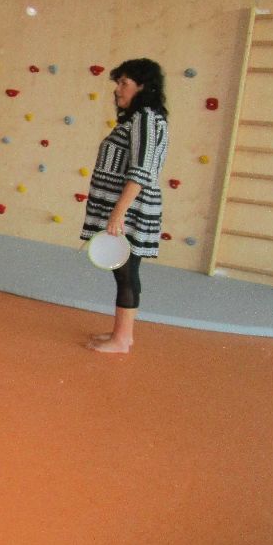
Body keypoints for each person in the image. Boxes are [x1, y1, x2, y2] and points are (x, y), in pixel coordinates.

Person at [80, 58, 170, 353]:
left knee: (126, 272)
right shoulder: (140, 118)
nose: (117, 89)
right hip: (127, 209)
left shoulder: (145, 118)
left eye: (124, 83)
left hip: (131, 210)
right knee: (124, 271)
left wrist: (118, 213)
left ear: (143, 87)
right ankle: (122, 334)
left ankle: (121, 340)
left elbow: (141, 170)